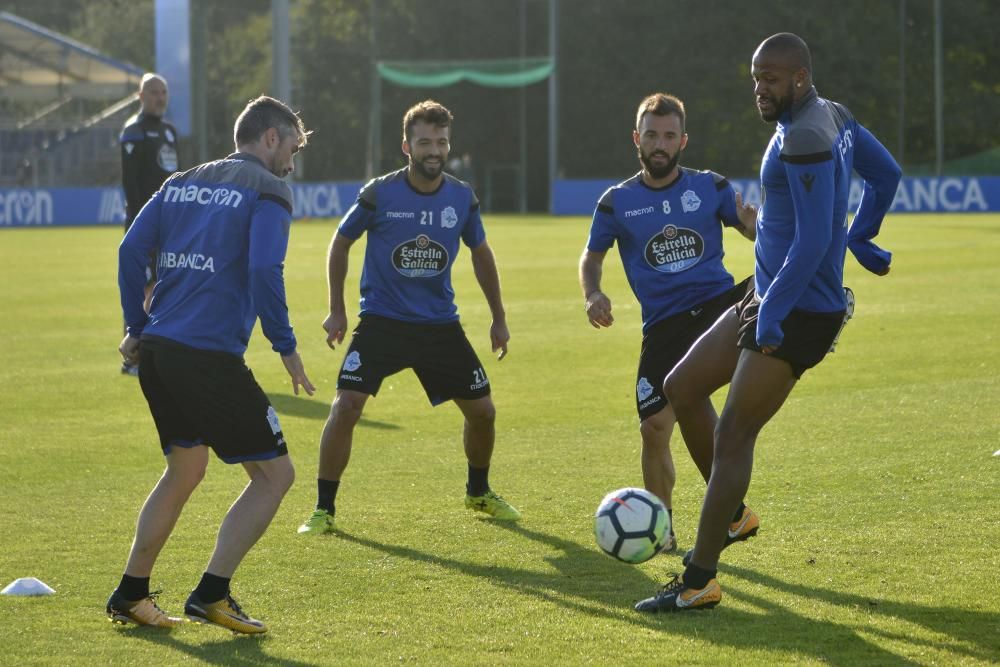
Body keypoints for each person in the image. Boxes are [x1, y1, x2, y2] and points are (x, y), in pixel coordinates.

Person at [635, 33, 901, 613]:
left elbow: (810, 242)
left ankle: (698, 580)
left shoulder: (806, 135)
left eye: (772, 79)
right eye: (756, 77)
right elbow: (888, 176)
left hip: (798, 309)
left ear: (800, 77)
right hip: (769, 294)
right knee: (679, 386)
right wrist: (864, 233)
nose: (760, 88)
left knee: (733, 436)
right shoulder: (836, 116)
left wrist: (774, 314)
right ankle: (730, 514)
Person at [107, 96, 315, 633]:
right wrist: (286, 344)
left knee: (185, 469)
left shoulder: (180, 182)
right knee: (275, 475)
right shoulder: (269, 190)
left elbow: (131, 249)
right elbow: (266, 267)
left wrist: (135, 326)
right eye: (292, 144)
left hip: (159, 353)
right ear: (270, 138)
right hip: (207, 357)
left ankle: (131, 593)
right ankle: (212, 593)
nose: (293, 159)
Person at [297, 99, 519, 536]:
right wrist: (337, 309)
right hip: (383, 321)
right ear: (407, 146)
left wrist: (498, 317)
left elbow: (481, 253)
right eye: (424, 142)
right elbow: (340, 243)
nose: (434, 150)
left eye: (441, 142)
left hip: (439, 325)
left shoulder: (461, 197)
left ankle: (478, 491)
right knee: (346, 407)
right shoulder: (380, 193)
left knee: (484, 413)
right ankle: (324, 509)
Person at [579, 93, 757, 554]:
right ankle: (663, 530)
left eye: (669, 135)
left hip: (718, 307)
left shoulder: (710, 186)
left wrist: (756, 226)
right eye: (652, 135)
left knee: (769, 286)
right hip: (665, 326)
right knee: (654, 428)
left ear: (683, 141)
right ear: (637, 139)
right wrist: (593, 292)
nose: (661, 144)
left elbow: (749, 228)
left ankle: (822, 313)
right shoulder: (616, 202)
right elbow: (591, 257)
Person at [119, 73, 180, 376]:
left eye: (164, 92)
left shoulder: (169, 132)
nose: (160, 97)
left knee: (162, 285)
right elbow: (130, 184)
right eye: (154, 92)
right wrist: (138, 224)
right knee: (142, 287)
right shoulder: (134, 131)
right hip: (143, 224)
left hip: (169, 225)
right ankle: (132, 357)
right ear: (141, 96)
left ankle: (154, 351)